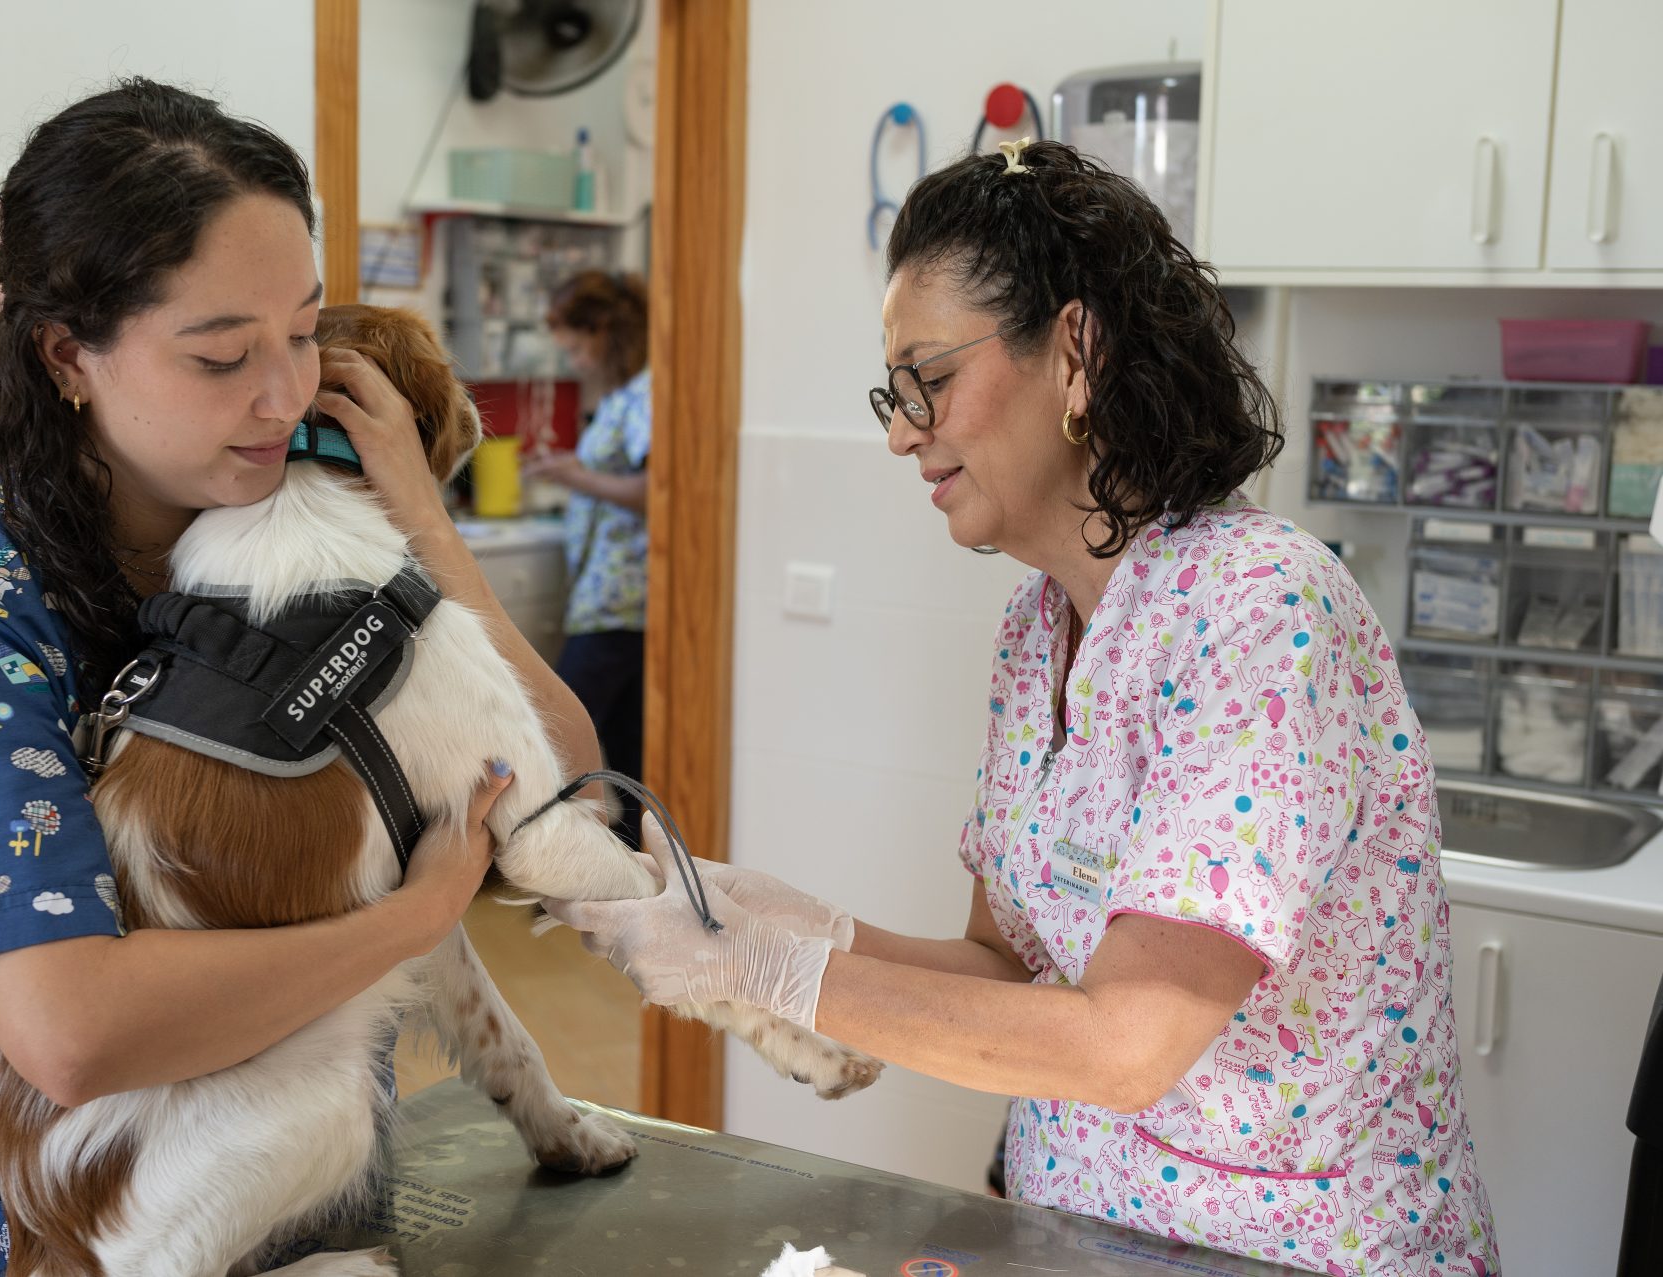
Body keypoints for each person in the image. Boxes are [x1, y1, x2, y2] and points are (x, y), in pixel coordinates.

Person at [545, 141, 1498, 1276]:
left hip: (1281, 1252)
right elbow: (1009, 967)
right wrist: (795, 921)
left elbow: (1129, 1041)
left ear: (1078, 351)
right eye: (892, 395)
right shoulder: (1033, 632)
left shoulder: (1261, 613)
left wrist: (767, 969)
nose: (902, 432)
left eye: (929, 380)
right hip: (1076, 1235)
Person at [0, 79, 608, 1273]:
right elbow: (74, 1032)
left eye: (302, 332)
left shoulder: (285, 510)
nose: (286, 394)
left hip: (279, 1189)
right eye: (222, 355)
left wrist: (423, 522)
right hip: (62, 1219)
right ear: (67, 357)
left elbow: (568, 787)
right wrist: (409, 918)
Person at [525, 271, 652, 843]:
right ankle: (631, 866)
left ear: (606, 333)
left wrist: (578, 476)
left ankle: (552, 862)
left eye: (577, 347)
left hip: (622, 601)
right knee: (626, 744)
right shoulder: (625, 396)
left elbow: (657, 490)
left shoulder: (647, 393)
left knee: (553, 727)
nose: (573, 360)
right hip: (610, 600)